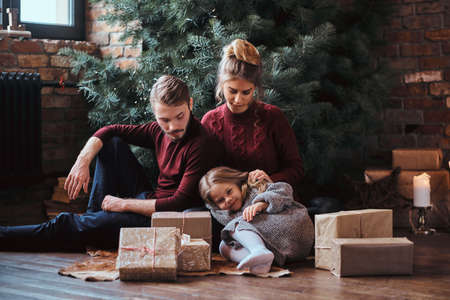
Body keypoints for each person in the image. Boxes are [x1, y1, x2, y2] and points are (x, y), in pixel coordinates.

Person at [0, 75, 218, 251]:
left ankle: (6, 236)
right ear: (155, 113)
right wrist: (82, 161)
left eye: (179, 116)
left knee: (65, 224)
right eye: (164, 120)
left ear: (190, 104)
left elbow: (177, 204)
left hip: (164, 220)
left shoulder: (201, 143)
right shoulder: (156, 130)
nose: (172, 127)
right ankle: (94, 222)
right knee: (111, 143)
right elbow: (109, 130)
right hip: (149, 200)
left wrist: (123, 204)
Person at [201, 39, 305, 204]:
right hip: (229, 206)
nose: (238, 99)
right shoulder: (210, 122)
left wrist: (270, 179)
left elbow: (296, 169)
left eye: (246, 92)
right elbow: (206, 177)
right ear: (221, 83)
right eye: (232, 91)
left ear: (255, 88)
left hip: (272, 201)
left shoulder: (273, 117)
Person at [199, 166, 314, 275]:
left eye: (229, 191)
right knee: (224, 247)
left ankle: (259, 251)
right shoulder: (224, 213)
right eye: (220, 200)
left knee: (234, 225)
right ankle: (262, 261)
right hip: (280, 250)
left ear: (237, 183)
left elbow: (285, 190)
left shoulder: (254, 186)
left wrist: (262, 203)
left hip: (293, 228)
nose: (228, 200)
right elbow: (211, 207)